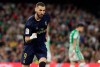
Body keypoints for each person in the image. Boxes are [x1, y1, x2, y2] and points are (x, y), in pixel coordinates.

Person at [21, 2, 50, 67]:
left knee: (43, 63)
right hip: (30, 46)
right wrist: (31, 37)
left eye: (44, 10)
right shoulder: (29, 23)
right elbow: (26, 39)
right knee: (25, 65)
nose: (42, 12)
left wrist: (46, 34)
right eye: (40, 10)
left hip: (40, 44)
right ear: (36, 9)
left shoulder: (46, 17)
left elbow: (47, 24)